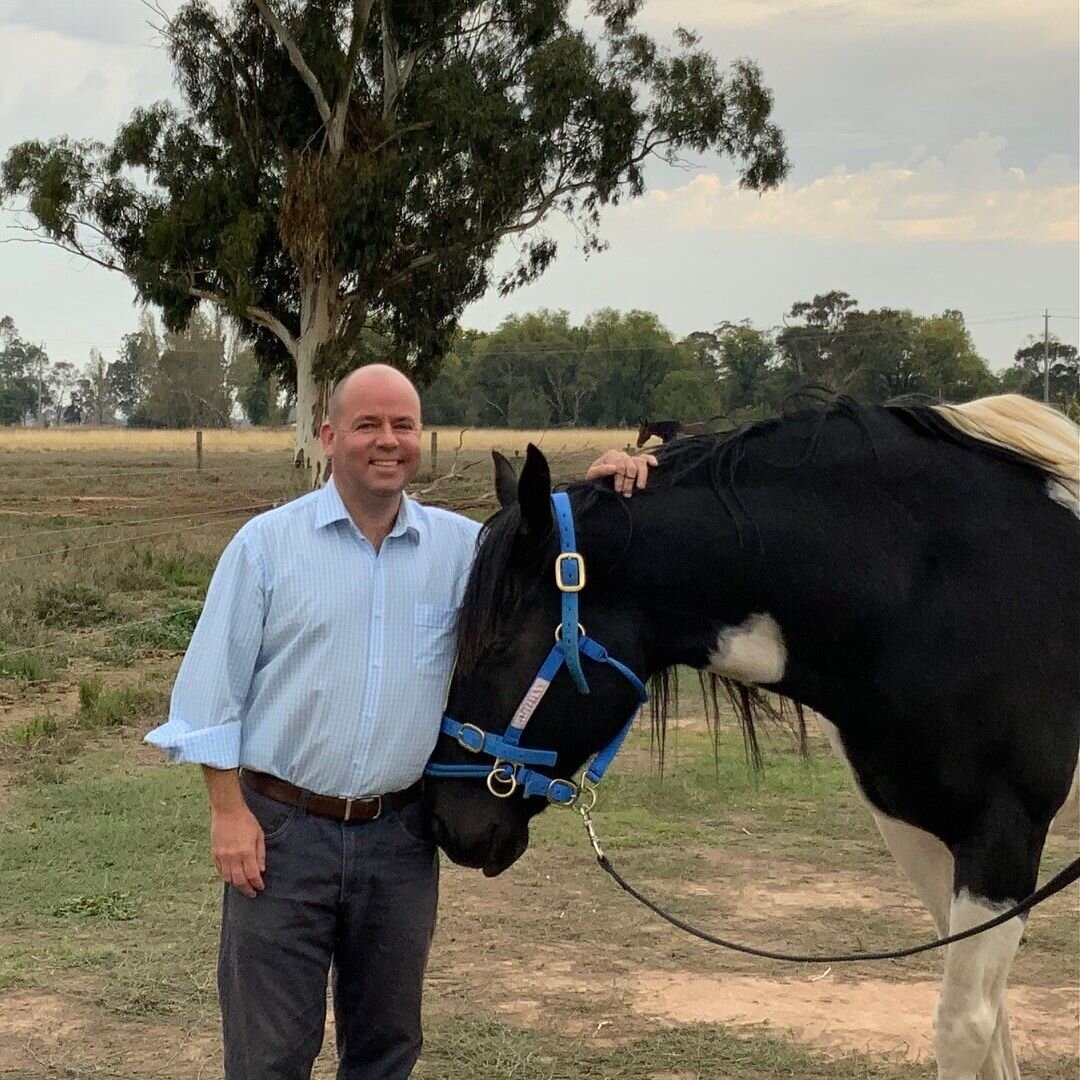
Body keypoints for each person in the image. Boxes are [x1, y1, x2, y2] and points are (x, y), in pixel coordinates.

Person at [144, 364, 654, 1080]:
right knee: (270, 1055)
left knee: (386, 1050)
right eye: (368, 425)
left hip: (402, 836)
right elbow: (209, 693)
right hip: (282, 834)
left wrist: (602, 486)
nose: (388, 441)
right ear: (329, 437)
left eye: (403, 425)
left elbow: (546, 544)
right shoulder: (265, 548)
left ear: (420, 437)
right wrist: (228, 813)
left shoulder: (462, 552)